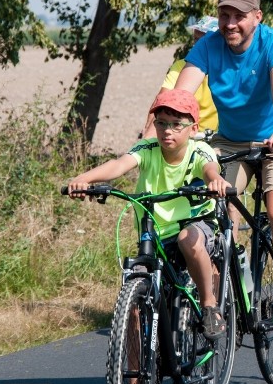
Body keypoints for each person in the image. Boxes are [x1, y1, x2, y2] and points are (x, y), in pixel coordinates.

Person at [173, 0, 273, 332]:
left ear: (257, 17)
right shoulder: (208, 46)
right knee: (218, 217)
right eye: (224, 15)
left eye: (238, 16)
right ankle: (219, 297)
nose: (230, 23)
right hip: (230, 143)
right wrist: (169, 128)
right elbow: (182, 93)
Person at [67, 88, 231, 340]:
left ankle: (209, 305)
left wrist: (216, 181)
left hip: (194, 223)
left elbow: (209, 169)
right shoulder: (147, 148)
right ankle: (131, 378)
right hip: (154, 232)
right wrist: (83, 179)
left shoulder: (199, 151)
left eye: (177, 124)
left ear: (193, 128)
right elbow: (118, 165)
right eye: (162, 123)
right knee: (134, 297)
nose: (167, 130)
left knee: (187, 239)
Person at [139, 16, 219, 139]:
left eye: (203, 41)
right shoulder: (181, 66)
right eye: (195, 40)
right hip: (186, 135)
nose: (197, 45)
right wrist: (147, 137)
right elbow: (162, 100)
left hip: (220, 138)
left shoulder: (228, 67)